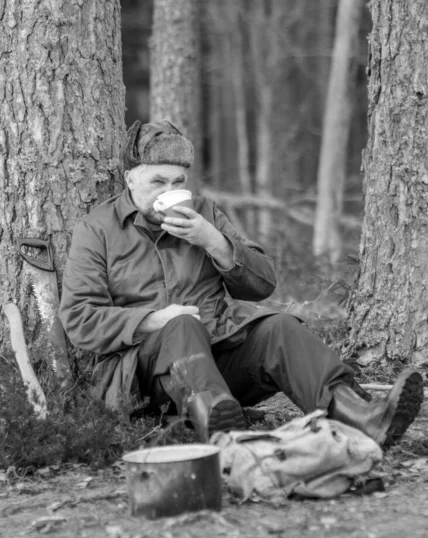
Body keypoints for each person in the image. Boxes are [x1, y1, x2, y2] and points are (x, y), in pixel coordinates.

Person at [59, 119, 423, 446]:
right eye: (157, 181)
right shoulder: (97, 230)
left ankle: (361, 417)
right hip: (148, 379)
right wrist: (154, 320)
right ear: (130, 179)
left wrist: (214, 241)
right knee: (182, 325)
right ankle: (225, 435)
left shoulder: (204, 214)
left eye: (178, 181)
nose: (168, 190)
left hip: (218, 361)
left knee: (279, 327)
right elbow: (78, 318)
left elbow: (263, 283)